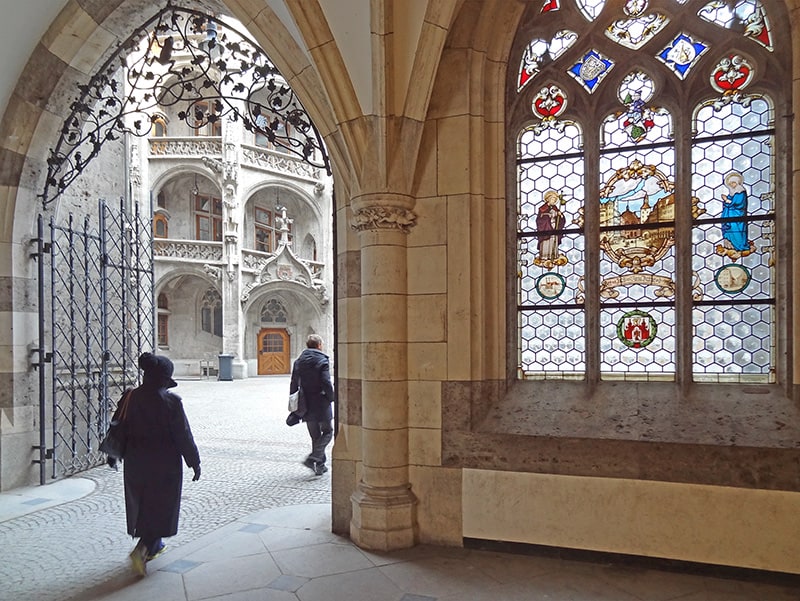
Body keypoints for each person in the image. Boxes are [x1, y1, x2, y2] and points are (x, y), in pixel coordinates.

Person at [108, 352, 201, 576]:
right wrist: (194, 462)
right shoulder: (170, 401)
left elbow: (117, 425)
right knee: (161, 505)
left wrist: (113, 454)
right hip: (164, 463)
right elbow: (183, 435)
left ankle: (154, 545)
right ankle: (143, 548)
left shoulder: (130, 397)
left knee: (143, 503)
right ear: (163, 379)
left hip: (135, 461)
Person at [289, 334, 334, 476]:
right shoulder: (322, 360)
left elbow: (293, 383)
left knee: (315, 435)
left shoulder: (298, 362)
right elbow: (326, 382)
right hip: (321, 401)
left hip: (305, 402)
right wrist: (331, 397)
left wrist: (293, 402)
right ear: (319, 345)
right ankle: (314, 458)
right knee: (328, 431)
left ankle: (320, 465)